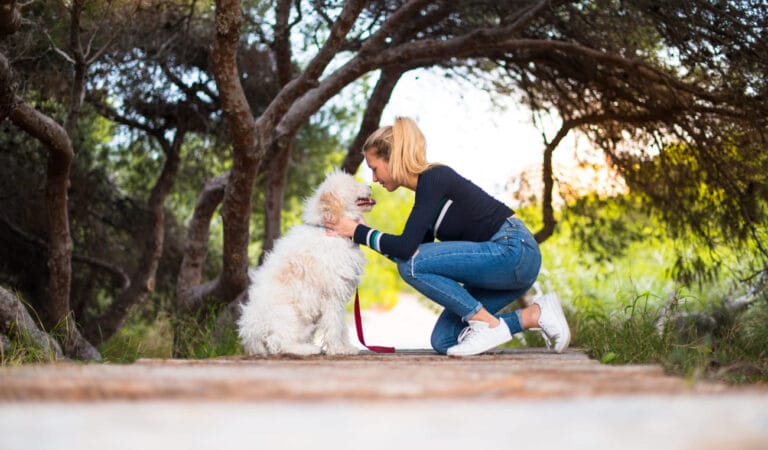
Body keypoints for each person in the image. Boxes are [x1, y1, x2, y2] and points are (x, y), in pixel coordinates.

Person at [326, 117, 570, 356]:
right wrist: (363, 232)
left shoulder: (435, 177)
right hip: (503, 269)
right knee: (445, 340)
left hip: (514, 250)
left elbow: (408, 255)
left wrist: (359, 232)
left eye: (374, 168)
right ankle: (534, 315)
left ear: (393, 159)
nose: (374, 179)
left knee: (411, 265)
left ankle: (487, 325)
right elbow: (410, 255)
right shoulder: (426, 197)